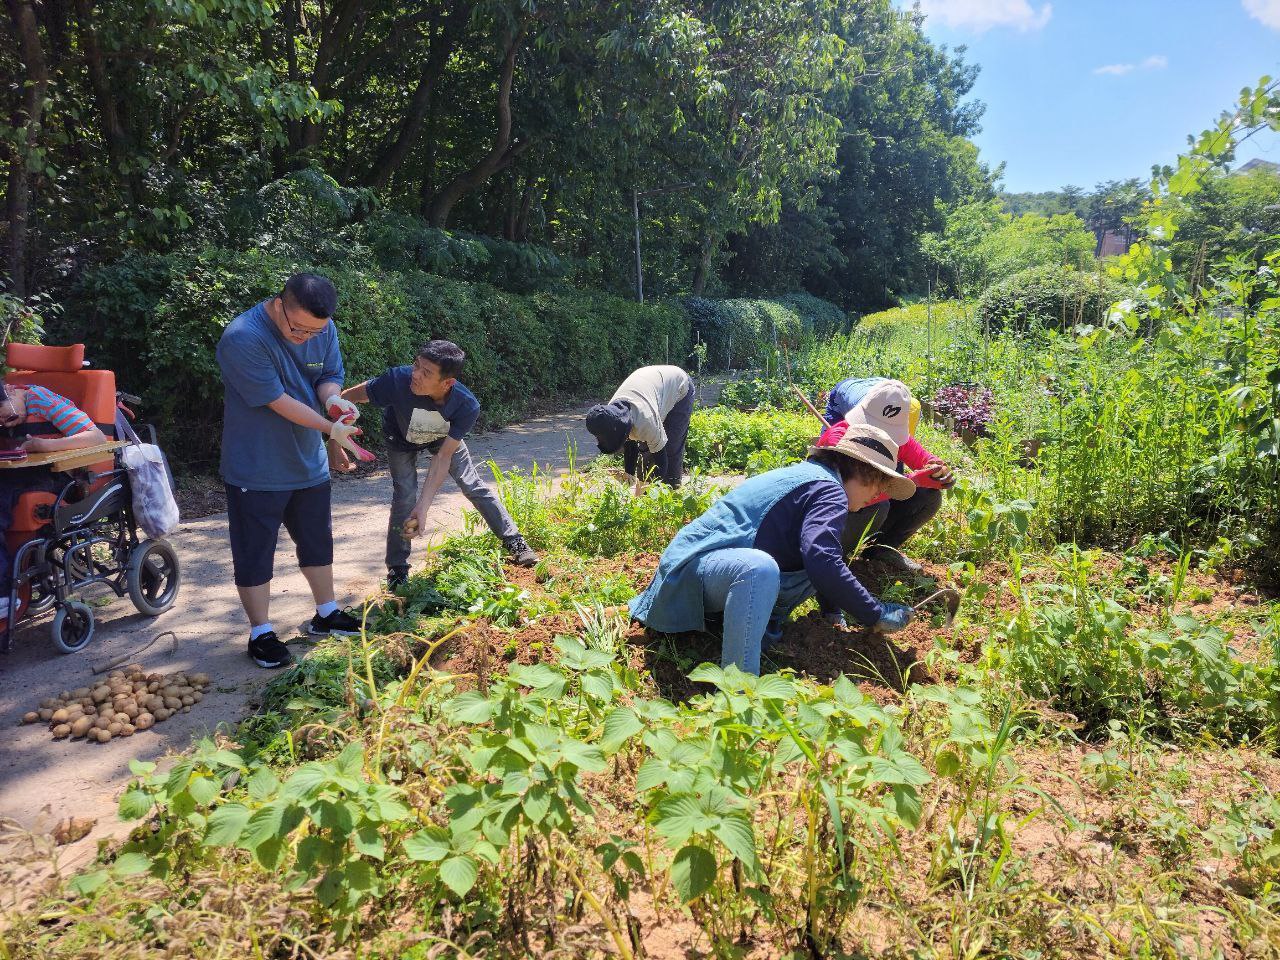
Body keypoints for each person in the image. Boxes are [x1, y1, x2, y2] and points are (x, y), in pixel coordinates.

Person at [629, 421, 917, 675]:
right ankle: (740, 688)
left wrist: (832, 616)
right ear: (862, 470)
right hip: (688, 576)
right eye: (880, 482)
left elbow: (826, 555)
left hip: (703, 572)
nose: (880, 494)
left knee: (810, 558)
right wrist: (874, 612)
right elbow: (821, 559)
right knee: (760, 569)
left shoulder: (816, 479)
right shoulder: (828, 490)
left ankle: (737, 630)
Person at [217, 273, 369, 669]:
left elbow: (326, 377)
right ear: (279, 303)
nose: (304, 336)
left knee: (317, 540)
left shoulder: (323, 327)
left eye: (313, 331)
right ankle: (261, 632)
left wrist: (335, 403)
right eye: (296, 328)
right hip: (256, 464)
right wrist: (330, 428)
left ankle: (326, 612)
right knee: (255, 551)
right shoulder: (243, 337)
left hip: (307, 461)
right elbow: (277, 400)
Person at [342, 340, 537, 589]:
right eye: (416, 366)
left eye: (426, 373)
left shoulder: (466, 405)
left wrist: (423, 508)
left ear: (447, 383)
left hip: (439, 434)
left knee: (472, 484)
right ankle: (398, 569)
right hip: (399, 436)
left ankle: (515, 542)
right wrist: (334, 431)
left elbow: (442, 457)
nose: (415, 375)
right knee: (405, 495)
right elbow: (349, 398)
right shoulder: (397, 380)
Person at [0, 384, 107, 619]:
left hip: (57, 477)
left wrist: (45, 445)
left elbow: (97, 438)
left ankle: (3, 595)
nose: (7, 424)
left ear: (12, 390)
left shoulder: (40, 399)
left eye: (8, 416)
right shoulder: (9, 407)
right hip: (18, 474)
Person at [828, 378, 955, 574]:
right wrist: (912, 480)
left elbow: (927, 459)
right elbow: (843, 496)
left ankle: (881, 549)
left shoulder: (897, 440)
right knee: (878, 506)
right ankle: (834, 555)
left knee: (929, 497)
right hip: (836, 513)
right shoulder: (838, 438)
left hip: (867, 502)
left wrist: (939, 472)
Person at [586, 365, 694, 487]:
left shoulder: (645, 420)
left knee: (671, 447)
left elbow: (661, 462)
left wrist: (653, 491)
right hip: (651, 384)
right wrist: (629, 473)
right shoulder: (612, 414)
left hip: (679, 386)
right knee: (646, 453)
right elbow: (629, 444)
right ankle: (643, 490)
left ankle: (672, 490)